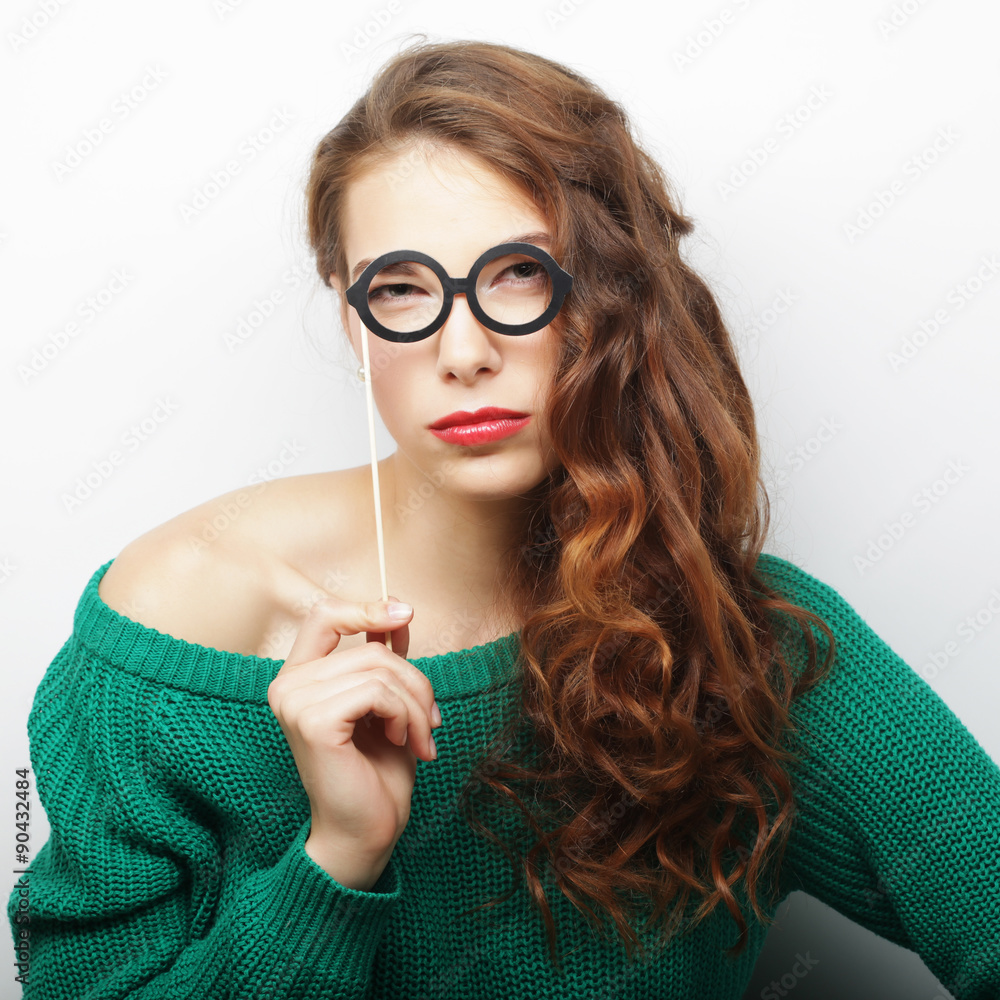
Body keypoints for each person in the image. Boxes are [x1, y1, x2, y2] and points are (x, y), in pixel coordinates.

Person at [7, 37, 999, 1000]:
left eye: (520, 273)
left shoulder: (743, 646)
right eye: (400, 288)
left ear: (612, 294)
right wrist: (336, 861)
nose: (465, 349)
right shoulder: (184, 618)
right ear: (353, 317)